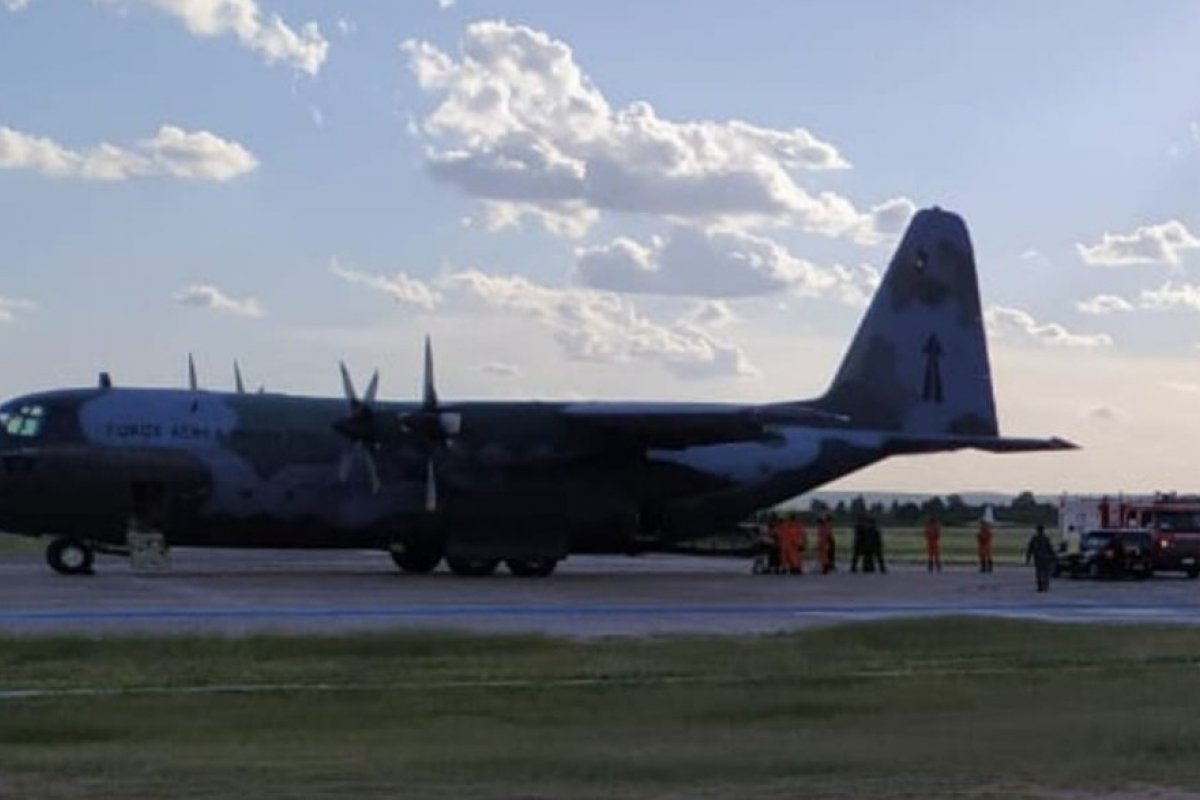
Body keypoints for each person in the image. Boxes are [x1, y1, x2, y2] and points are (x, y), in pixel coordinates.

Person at [1025, 523, 1056, 592]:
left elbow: (1030, 549)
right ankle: (1045, 585)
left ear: (1037, 530)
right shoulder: (1046, 538)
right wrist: (1054, 557)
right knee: (1046, 573)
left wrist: (1028, 559)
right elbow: (1050, 548)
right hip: (1046, 558)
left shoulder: (1034, 539)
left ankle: (1040, 586)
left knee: (1039, 573)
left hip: (1038, 559)